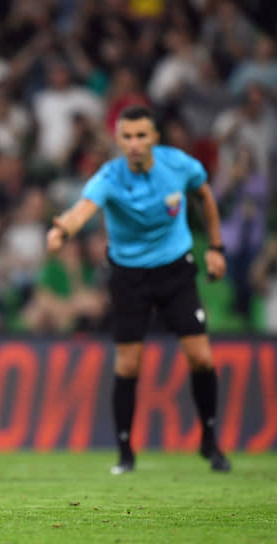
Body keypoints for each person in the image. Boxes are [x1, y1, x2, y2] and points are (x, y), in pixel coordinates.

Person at [46, 105, 232, 474]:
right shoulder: (109, 177)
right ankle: (125, 453)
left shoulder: (178, 165)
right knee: (129, 363)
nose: (134, 143)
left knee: (201, 357)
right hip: (129, 276)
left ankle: (210, 442)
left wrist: (215, 247)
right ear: (118, 140)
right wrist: (62, 230)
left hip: (176, 271)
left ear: (154, 138)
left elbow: (204, 195)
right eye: (127, 137)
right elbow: (83, 210)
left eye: (141, 136)